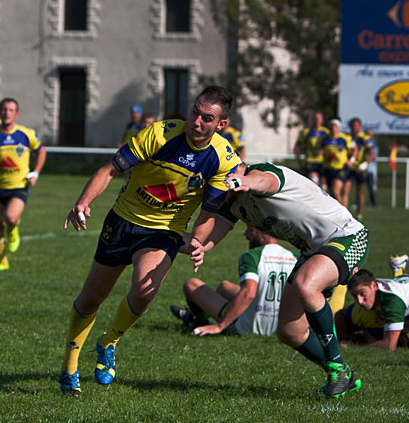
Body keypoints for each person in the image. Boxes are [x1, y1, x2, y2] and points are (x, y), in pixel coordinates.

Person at [58, 86, 240, 396]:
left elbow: (209, 212)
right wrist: (83, 201)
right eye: (195, 111)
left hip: (164, 231)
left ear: (222, 124)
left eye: (206, 118)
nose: (196, 121)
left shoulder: (223, 160)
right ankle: (69, 367)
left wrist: (197, 240)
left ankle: (108, 342)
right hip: (123, 220)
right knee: (92, 297)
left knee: (145, 291)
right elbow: (109, 169)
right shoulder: (161, 134)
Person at [192, 161, 368, 398]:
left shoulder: (260, 173)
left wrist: (242, 181)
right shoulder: (233, 205)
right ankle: (344, 373)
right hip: (312, 251)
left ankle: (337, 368)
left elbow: (265, 183)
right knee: (289, 331)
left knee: (306, 285)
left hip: (347, 236)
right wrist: (159, 236)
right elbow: (201, 243)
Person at [170, 225, 298, 336]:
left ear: (263, 233)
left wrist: (220, 326)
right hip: (283, 326)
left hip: (248, 327)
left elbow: (249, 293)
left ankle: (198, 320)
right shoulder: (295, 257)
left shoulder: (252, 256)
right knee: (224, 286)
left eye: (250, 229)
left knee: (191, 284)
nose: (246, 234)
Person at [0, 98, 46, 271]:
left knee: (11, 218)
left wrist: (35, 172)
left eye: (11, 110)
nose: (7, 113)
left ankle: (13, 231)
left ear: (16, 114)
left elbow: (41, 151)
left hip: (18, 187)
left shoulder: (26, 134)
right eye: (4, 110)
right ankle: (2, 261)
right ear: (0, 113)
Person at [335, 255, 408, 348]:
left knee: (405, 338)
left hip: (401, 301)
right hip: (400, 287)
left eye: (362, 294)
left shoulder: (392, 302)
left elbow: (389, 345)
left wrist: (356, 347)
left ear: (374, 286)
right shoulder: (370, 293)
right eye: (354, 296)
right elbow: (340, 316)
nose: (360, 301)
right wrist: (343, 340)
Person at [321, 119, 353, 207]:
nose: (333, 128)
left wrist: (351, 160)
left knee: (336, 191)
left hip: (340, 168)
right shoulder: (325, 139)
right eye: (331, 126)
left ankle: (343, 213)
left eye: (335, 126)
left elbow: (354, 150)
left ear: (338, 128)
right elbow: (319, 150)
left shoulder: (344, 138)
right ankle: (340, 213)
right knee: (332, 194)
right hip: (328, 168)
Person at [294, 112, 328, 186]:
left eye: (319, 118)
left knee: (324, 187)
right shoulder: (306, 132)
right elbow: (297, 147)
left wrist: (323, 151)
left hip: (324, 162)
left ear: (322, 120)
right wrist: (300, 163)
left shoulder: (326, 132)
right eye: (315, 118)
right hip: (311, 162)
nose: (317, 120)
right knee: (314, 184)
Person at [365, 128, 378, 207]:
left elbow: (373, 156)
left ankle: (372, 201)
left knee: (371, 186)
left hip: (370, 169)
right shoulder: (362, 143)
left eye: (370, 134)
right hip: (363, 169)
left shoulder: (374, 145)